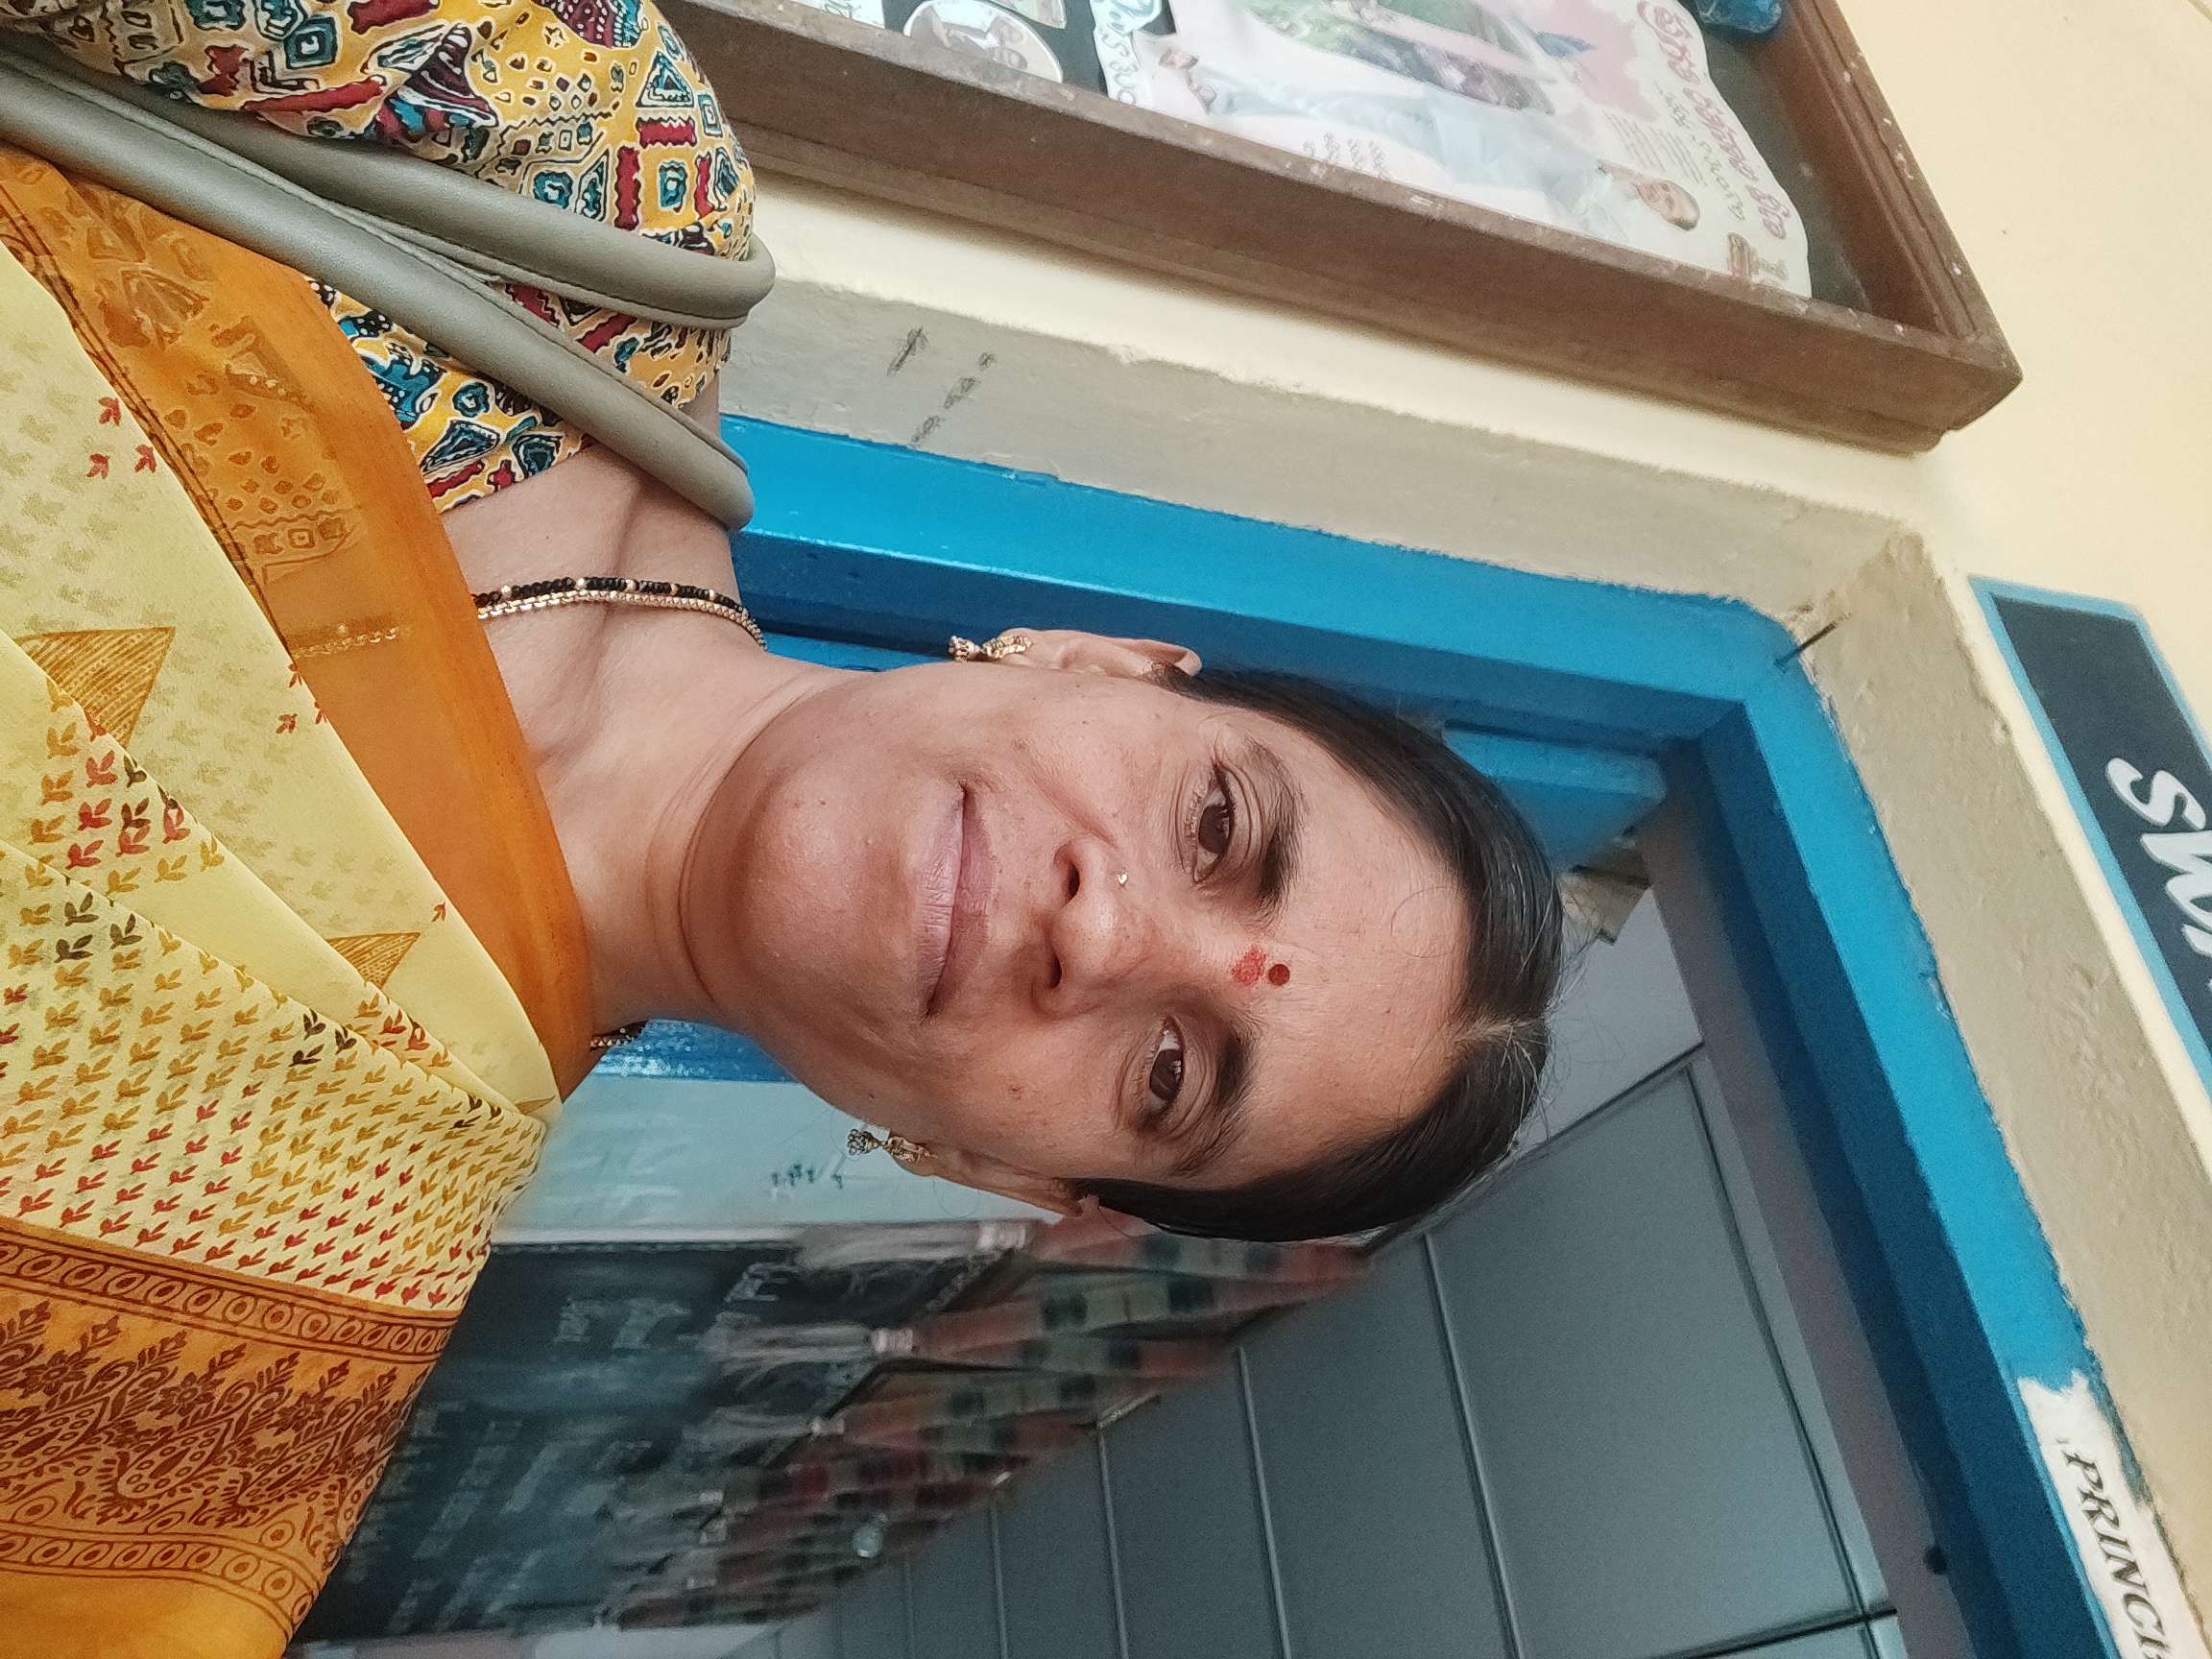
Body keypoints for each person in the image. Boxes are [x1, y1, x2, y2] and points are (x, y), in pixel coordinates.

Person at [0, 1, 1560, 1647]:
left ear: (994, 1168)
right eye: (1218, 823)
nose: (1103, 932)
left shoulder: (216, 1385)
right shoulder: (581, 187)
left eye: (1170, 1071)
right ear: (1094, 657)